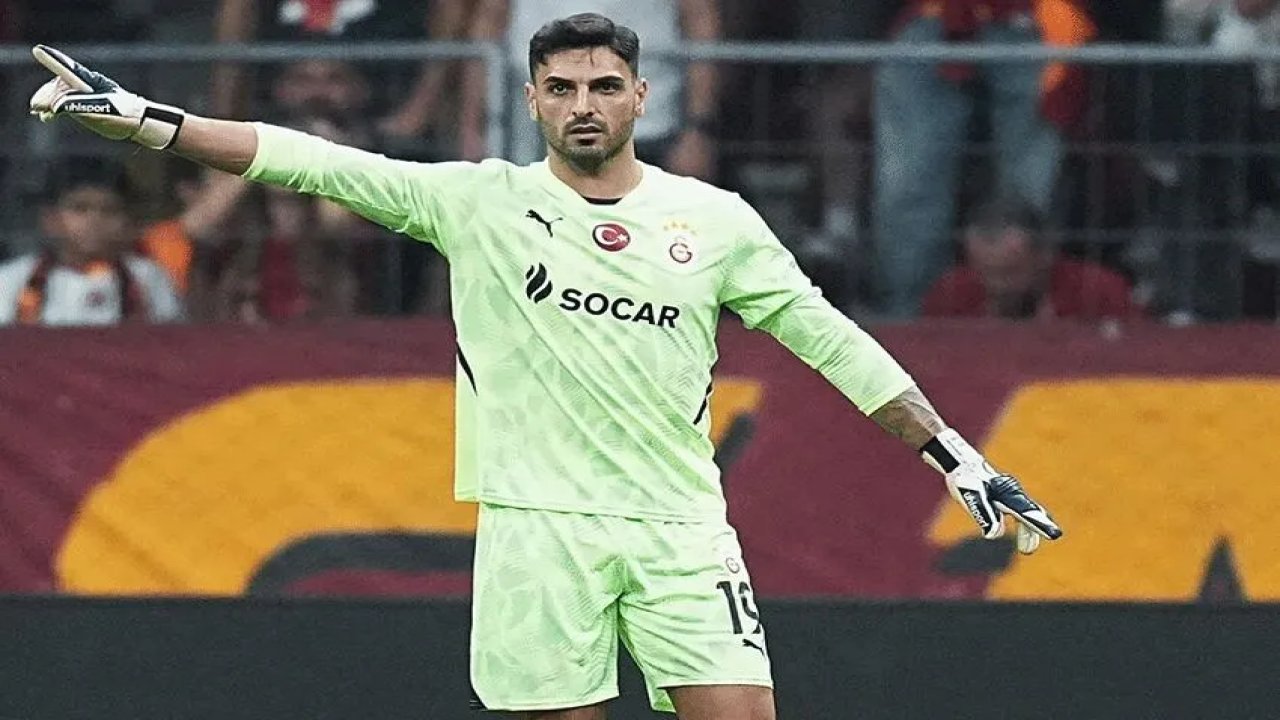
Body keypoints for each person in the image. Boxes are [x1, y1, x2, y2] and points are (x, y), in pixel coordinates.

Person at [29, 15, 1061, 718]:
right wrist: (152, 120)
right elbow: (311, 160)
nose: (584, 104)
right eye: (562, 87)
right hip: (537, 528)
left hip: (679, 525)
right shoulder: (477, 201)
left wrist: (952, 454)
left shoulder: (713, 220)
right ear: (530, 99)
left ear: (640, 96)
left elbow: (828, 338)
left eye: (604, 86)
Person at [872, 0, 1096, 319]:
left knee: (1028, 198)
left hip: (1034, 16)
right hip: (933, 15)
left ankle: (1028, 319)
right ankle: (906, 321)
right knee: (909, 191)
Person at [460, 0, 721, 180]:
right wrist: (472, 125)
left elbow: (699, 17)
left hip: (647, 122)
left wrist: (698, 129)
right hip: (533, 125)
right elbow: (490, 19)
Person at [0, 158, 183, 327]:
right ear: (50, 218)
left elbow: (168, 342)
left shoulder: (147, 278)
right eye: (80, 208)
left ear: (127, 220)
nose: (94, 221)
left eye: (109, 210)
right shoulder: (13, 279)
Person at [922, 197, 1137, 320]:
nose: (997, 286)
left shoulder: (1098, 292)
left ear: (1045, 255)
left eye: (1009, 272)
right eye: (984, 273)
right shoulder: (950, 295)